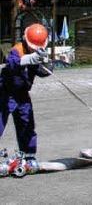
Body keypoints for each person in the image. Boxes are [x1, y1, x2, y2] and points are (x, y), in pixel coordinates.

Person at [0, 24, 51, 176]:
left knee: (27, 123)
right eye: (33, 47)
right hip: (5, 93)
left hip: (22, 95)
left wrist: (45, 62)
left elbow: (43, 72)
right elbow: (13, 64)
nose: (35, 50)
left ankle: (28, 155)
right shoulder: (17, 50)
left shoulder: (37, 53)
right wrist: (30, 58)